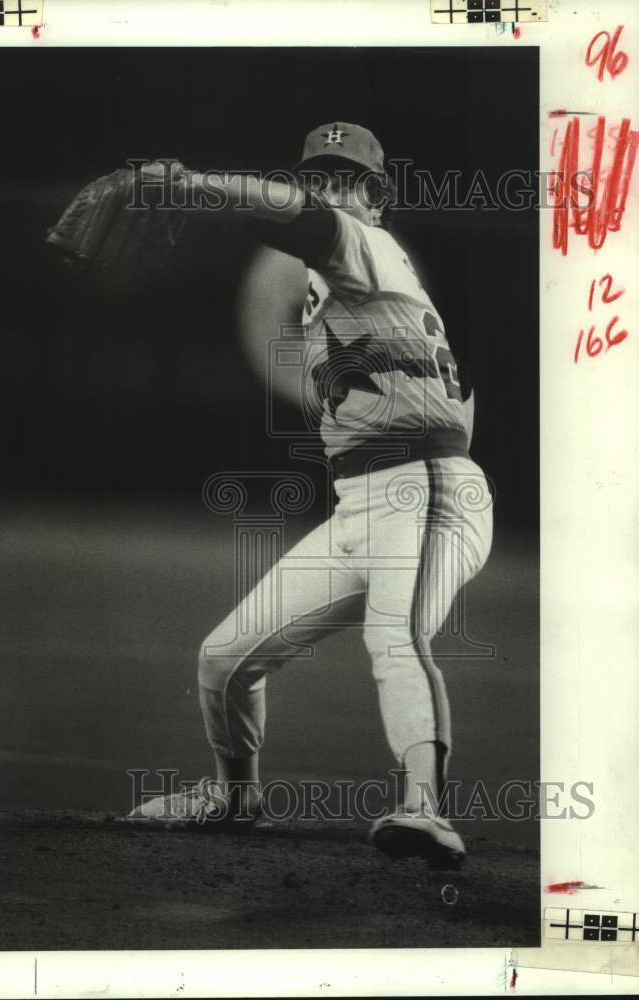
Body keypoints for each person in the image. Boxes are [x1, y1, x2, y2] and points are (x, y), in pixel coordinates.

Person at [129, 122, 493, 868]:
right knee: (224, 658)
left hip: (425, 493)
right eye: (318, 176)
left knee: (395, 636)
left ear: (376, 198)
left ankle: (425, 809)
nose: (330, 189)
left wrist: (191, 186)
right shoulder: (337, 288)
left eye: (346, 178)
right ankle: (235, 799)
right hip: (364, 505)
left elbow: (293, 216)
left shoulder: (365, 244)